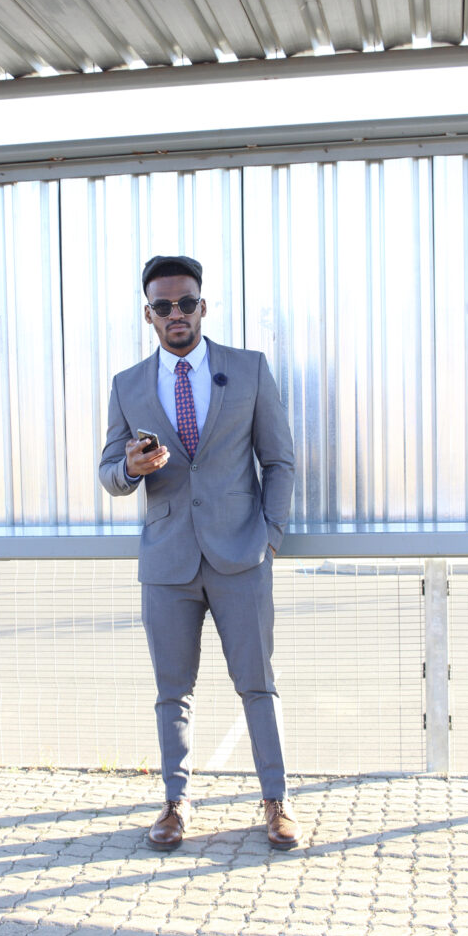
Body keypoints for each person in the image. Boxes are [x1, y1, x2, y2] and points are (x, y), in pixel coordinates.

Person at [99, 254, 301, 850]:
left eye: (186, 302)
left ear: (202, 306)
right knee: (172, 690)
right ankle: (175, 803)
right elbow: (108, 472)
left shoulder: (248, 369)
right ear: (149, 315)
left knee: (256, 683)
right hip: (167, 561)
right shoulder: (127, 385)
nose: (176, 314)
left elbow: (280, 459)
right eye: (163, 306)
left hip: (242, 555)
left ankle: (276, 801)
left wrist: (270, 536)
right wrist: (128, 470)